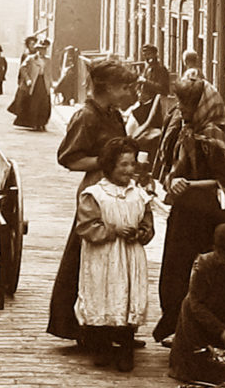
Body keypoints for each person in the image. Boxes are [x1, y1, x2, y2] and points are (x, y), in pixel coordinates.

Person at [47, 59, 139, 343]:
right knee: (88, 261)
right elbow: (69, 158)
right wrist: (106, 162)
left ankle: (116, 327)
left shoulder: (115, 114)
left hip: (120, 194)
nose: (128, 93)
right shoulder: (86, 116)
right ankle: (82, 328)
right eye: (124, 87)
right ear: (108, 88)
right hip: (97, 196)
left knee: (119, 262)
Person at [151, 77, 225, 345]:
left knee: (199, 276)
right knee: (174, 273)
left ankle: (195, 331)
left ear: (200, 105)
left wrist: (189, 185)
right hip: (182, 215)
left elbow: (224, 183)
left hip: (205, 217)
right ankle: (175, 325)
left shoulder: (213, 134)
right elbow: (170, 170)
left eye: (186, 104)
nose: (181, 109)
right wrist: (173, 182)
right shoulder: (183, 129)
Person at [75, 137, 154, 372]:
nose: (129, 170)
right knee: (104, 296)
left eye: (132, 164)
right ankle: (102, 346)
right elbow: (87, 226)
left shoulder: (139, 195)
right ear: (110, 166)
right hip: (104, 257)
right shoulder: (95, 194)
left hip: (130, 257)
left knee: (128, 296)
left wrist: (139, 233)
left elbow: (148, 225)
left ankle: (126, 348)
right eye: (123, 165)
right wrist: (113, 230)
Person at [169, 222, 225, 384]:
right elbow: (196, 304)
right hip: (199, 315)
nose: (221, 259)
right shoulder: (203, 265)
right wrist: (222, 330)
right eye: (219, 253)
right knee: (196, 363)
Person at [9, 38, 52, 131]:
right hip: (35, 83)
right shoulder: (31, 58)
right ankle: (35, 123)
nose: (43, 51)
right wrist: (28, 79)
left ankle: (42, 123)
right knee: (35, 104)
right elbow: (23, 68)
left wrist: (50, 83)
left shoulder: (48, 60)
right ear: (38, 49)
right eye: (41, 49)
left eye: (44, 49)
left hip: (44, 83)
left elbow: (49, 73)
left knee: (44, 104)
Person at [126, 79, 170, 166]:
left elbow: (130, 132)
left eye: (141, 91)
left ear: (147, 94)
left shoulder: (138, 112)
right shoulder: (141, 108)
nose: (138, 94)